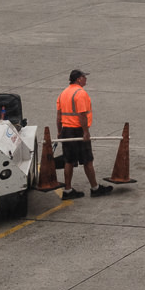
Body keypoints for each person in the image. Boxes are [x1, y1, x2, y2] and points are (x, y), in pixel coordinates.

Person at [56, 69, 112, 200]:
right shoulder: (80, 93)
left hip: (66, 130)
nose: (86, 79)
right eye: (84, 77)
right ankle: (95, 188)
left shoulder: (63, 93)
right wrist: (86, 132)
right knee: (87, 160)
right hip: (78, 130)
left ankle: (68, 190)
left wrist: (59, 132)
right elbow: (82, 115)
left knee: (68, 161)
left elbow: (58, 116)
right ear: (78, 79)